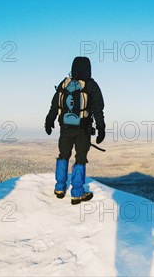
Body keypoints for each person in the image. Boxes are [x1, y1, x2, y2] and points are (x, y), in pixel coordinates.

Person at [44, 56, 105, 205]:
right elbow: (98, 108)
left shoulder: (65, 84)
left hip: (65, 128)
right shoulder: (91, 85)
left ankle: (59, 188)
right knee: (80, 158)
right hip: (82, 129)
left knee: (63, 155)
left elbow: (54, 105)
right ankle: (77, 193)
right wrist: (101, 128)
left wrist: (49, 120)